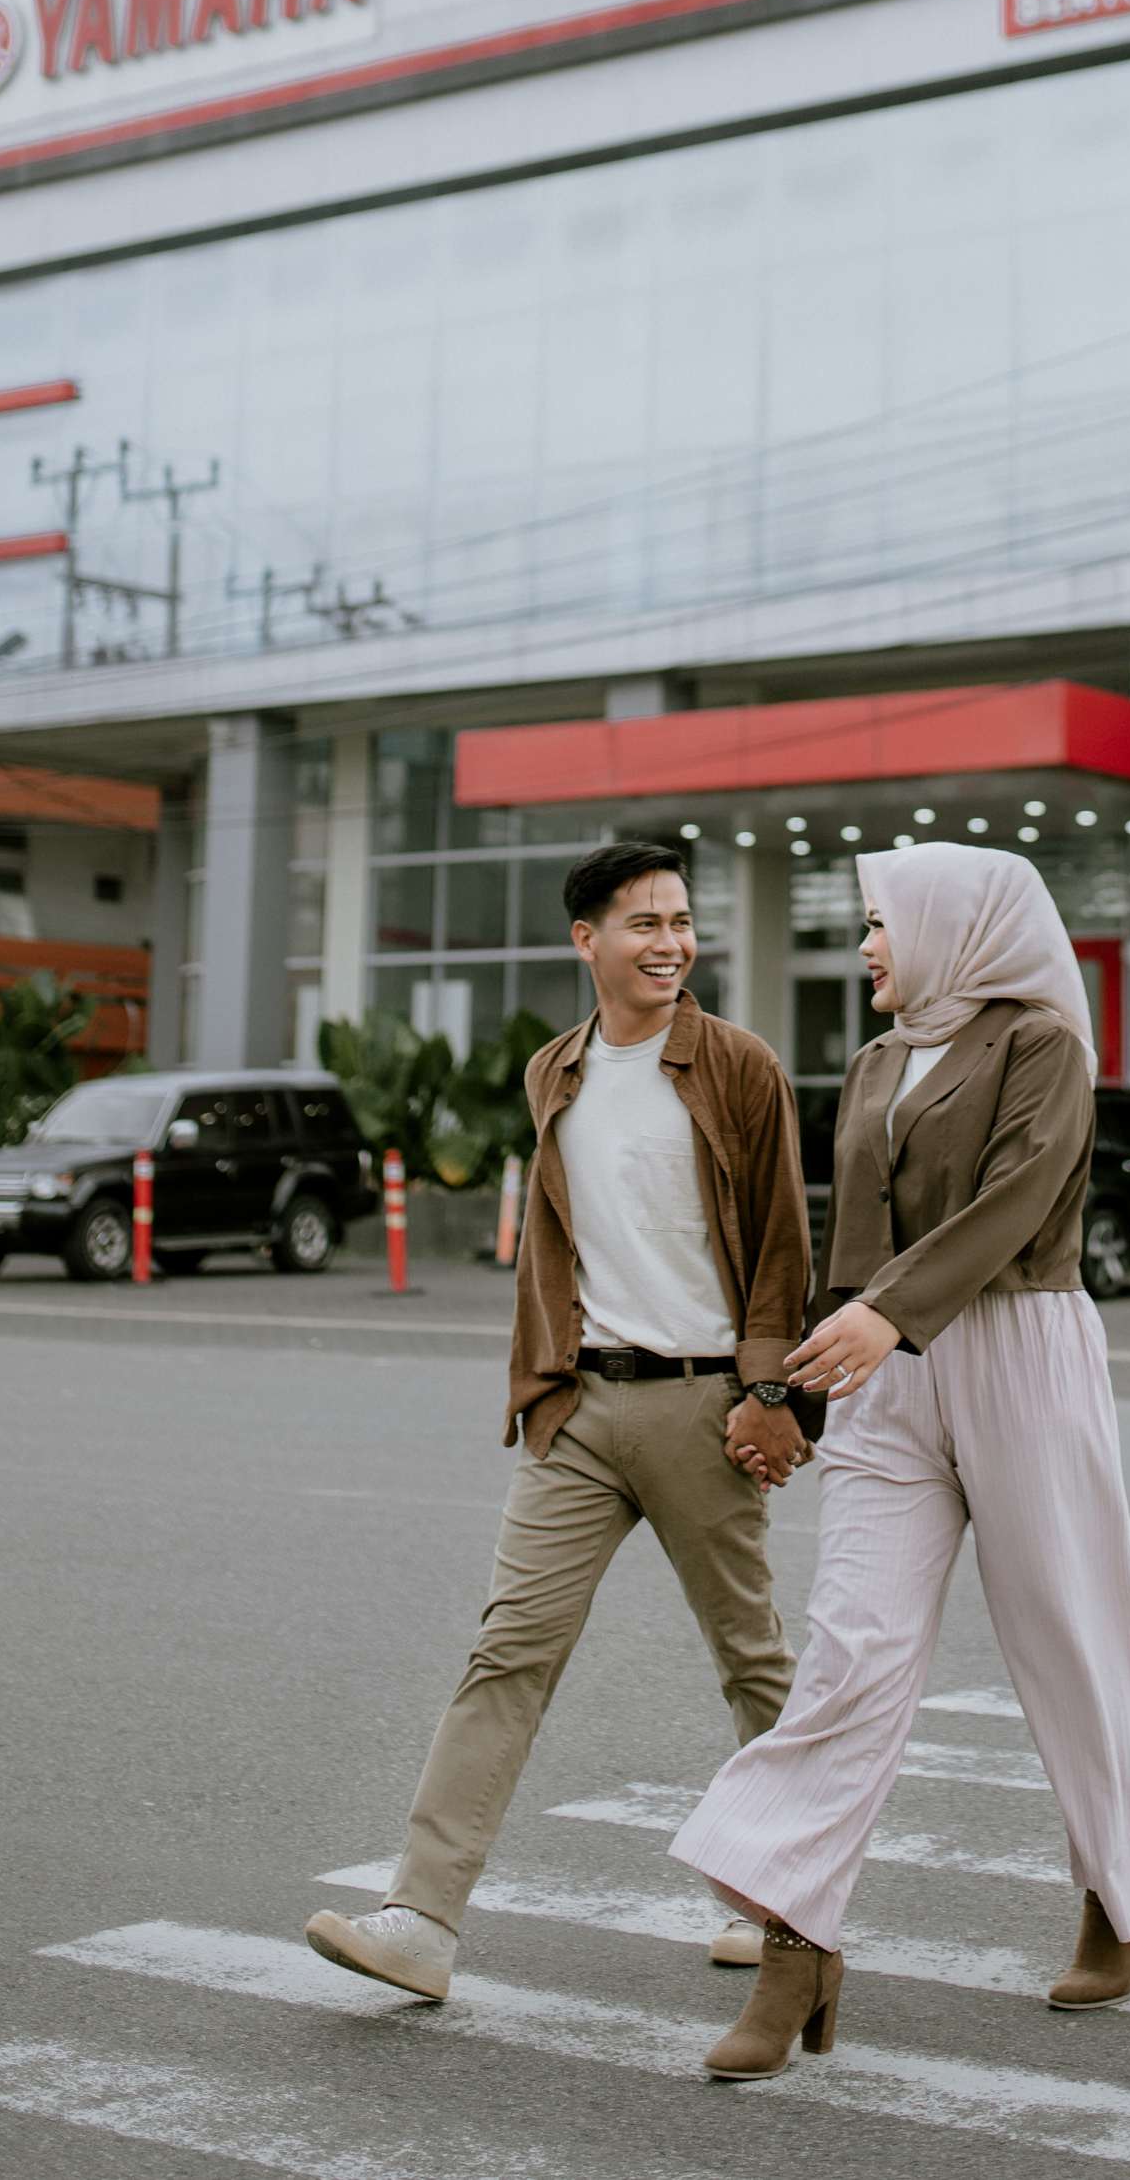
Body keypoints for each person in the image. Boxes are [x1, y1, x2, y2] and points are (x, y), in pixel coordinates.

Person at [670, 842, 1130, 2081]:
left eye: (879, 923)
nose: (864, 945)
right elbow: (842, 1238)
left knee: (1070, 1635)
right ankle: (795, 1942)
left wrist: (889, 1313)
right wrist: (792, 1393)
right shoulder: (873, 1063)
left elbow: (1017, 1199)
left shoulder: (1041, 1046)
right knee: (848, 1652)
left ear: (955, 927)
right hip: (885, 1378)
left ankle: (1124, 1894)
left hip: (1017, 1351)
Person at [305, 841, 816, 2001]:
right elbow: (553, 1239)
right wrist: (538, 1381)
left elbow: (783, 1239)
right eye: (644, 923)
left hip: (702, 1402)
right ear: (586, 940)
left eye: (680, 922)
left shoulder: (737, 1065)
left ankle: (791, 1903)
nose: (670, 944)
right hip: (580, 1406)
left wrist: (770, 1392)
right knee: (507, 1651)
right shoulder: (556, 1070)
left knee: (750, 1659)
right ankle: (420, 1920)